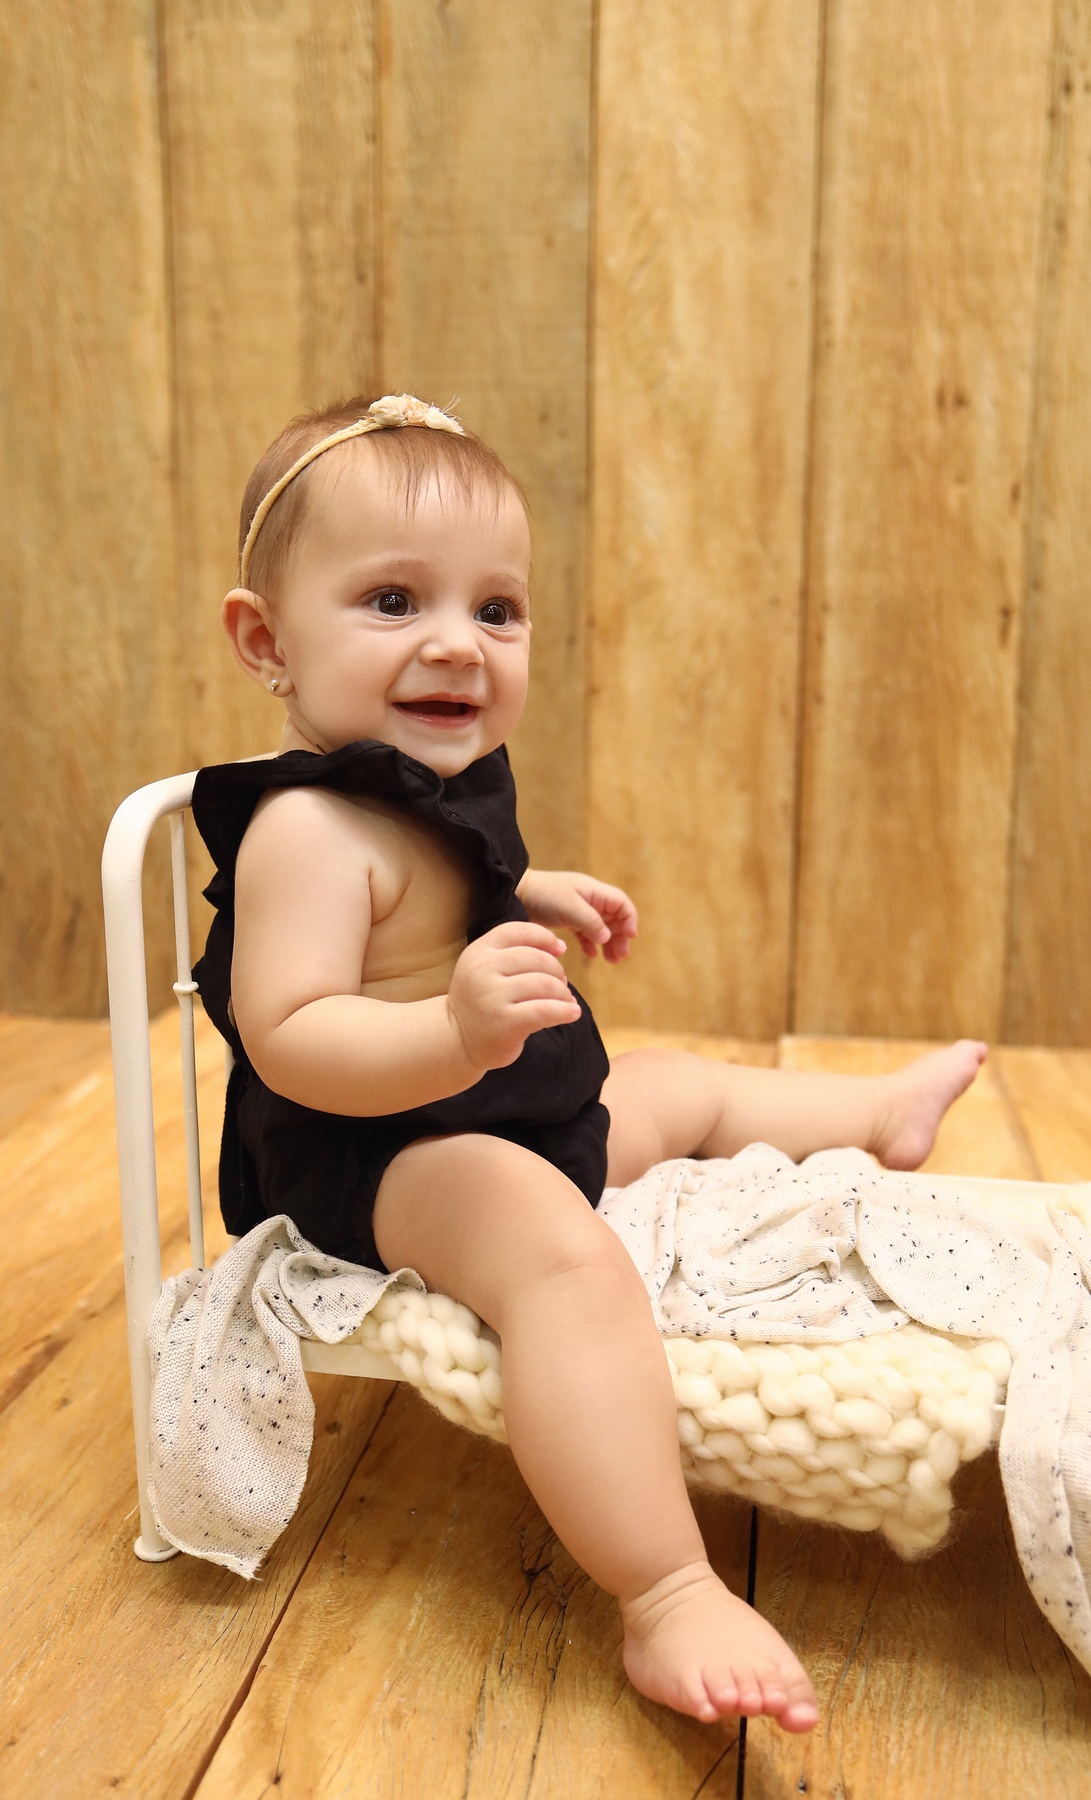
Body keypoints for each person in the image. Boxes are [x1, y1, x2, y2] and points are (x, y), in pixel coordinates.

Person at [194, 393, 987, 1732]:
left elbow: (431, 893)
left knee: (676, 1085)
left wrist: (528, 890)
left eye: (496, 609)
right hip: (383, 1150)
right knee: (564, 1259)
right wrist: (451, 1030)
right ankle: (667, 1587)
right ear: (267, 641)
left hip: (502, 1100)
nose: (458, 640)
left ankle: (877, 1111)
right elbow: (291, 1035)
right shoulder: (304, 833)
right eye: (393, 600)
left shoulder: (412, 787)